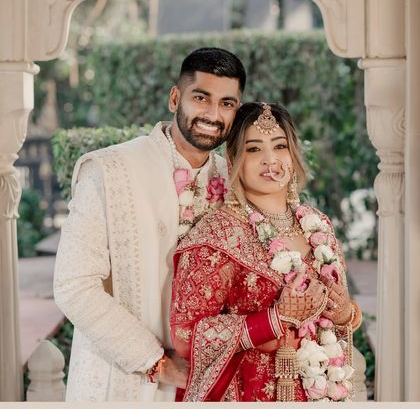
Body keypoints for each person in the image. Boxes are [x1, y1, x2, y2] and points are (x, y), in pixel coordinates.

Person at [53, 47, 246, 401]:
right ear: (175, 98)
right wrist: (154, 360)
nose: (213, 114)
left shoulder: (236, 185)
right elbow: (73, 285)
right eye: (201, 98)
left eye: (227, 104)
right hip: (124, 381)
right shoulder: (108, 171)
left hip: (208, 383)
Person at [170, 102, 362, 402]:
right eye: (254, 149)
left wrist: (344, 314)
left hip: (321, 392)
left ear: (293, 153)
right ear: (233, 159)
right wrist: (273, 320)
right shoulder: (218, 234)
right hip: (247, 394)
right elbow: (185, 335)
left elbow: (338, 320)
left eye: (280, 146)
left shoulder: (319, 227)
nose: (270, 160)